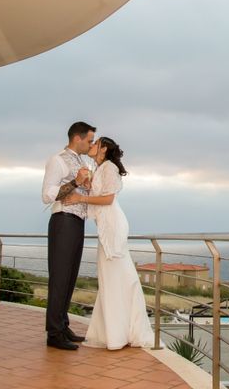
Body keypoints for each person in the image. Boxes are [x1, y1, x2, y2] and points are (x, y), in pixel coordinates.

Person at [64, 136, 154, 350]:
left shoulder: (109, 168)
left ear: (103, 149)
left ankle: (121, 333)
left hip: (113, 225)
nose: (92, 146)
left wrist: (80, 198)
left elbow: (108, 199)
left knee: (116, 276)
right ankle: (118, 331)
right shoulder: (100, 168)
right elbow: (99, 195)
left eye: (95, 144)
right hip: (106, 226)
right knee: (112, 278)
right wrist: (86, 185)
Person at [41, 121, 96, 350]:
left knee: (70, 277)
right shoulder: (57, 160)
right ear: (77, 138)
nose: (91, 144)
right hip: (63, 221)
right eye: (90, 140)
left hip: (77, 223)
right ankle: (54, 334)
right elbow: (47, 195)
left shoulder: (81, 161)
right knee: (60, 277)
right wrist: (75, 181)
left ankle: (63, 326)